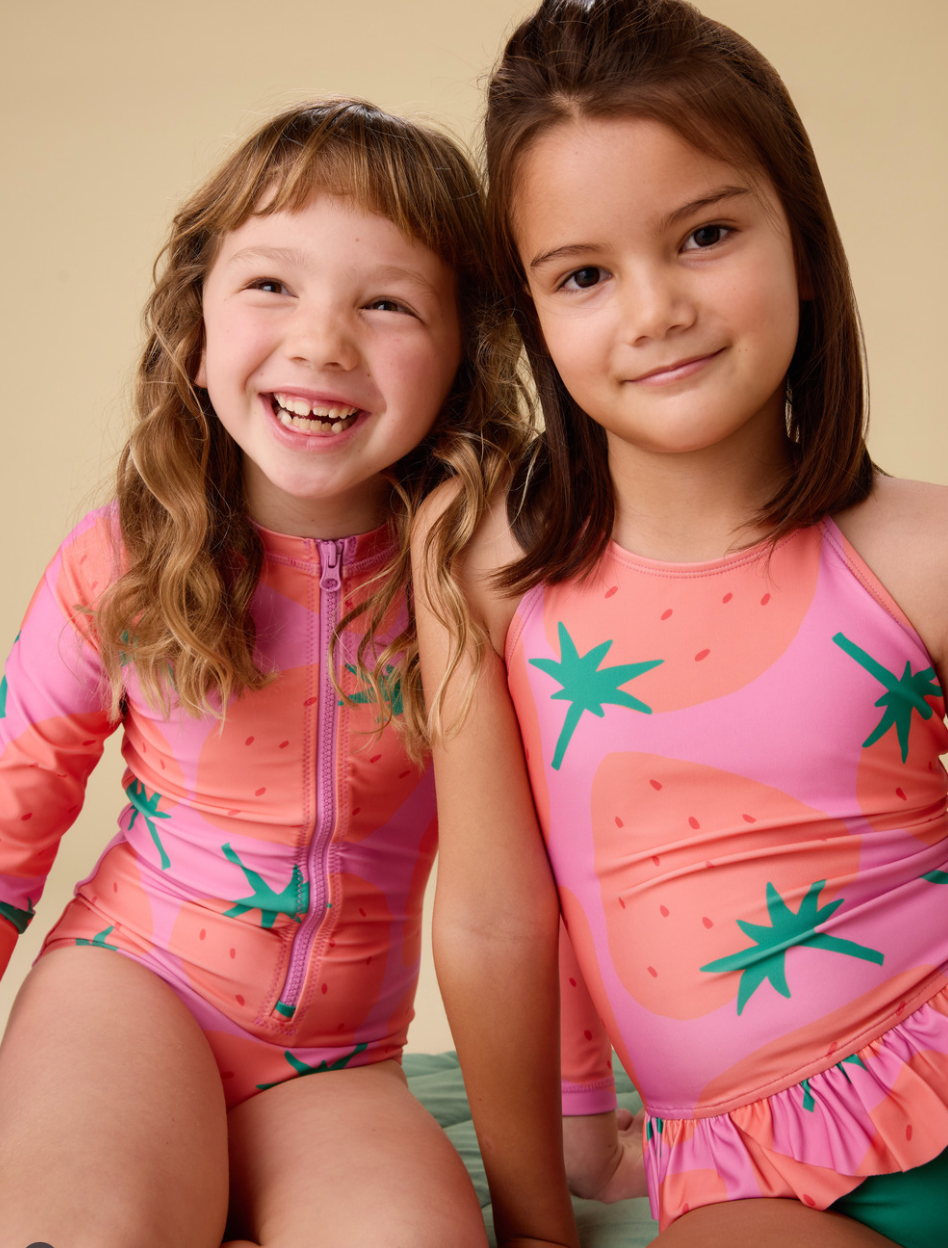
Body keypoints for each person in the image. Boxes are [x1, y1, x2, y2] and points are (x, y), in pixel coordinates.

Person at [413, 2, 948, 1246]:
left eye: (705, 235)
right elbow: (494, 918)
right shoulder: (485, 565)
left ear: (800, 240)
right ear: (532, 313)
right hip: (744, 1176)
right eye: (584, 275)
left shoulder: (921, 548)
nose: (653, 310)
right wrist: (535, 1223)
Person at [0, 97, 522, 1247]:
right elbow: (9, 809)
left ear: (465, 358)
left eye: (386, 303)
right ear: (196, 330)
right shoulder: (121, 558)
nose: (322, 341)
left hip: (335, 1063)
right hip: (129, 991)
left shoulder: (484, 583)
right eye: (272, 284)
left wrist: (574, 1125)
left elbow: (547, 874)